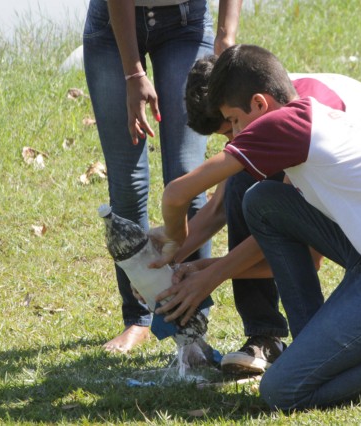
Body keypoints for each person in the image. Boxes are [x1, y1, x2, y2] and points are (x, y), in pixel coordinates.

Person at [150, 44, 361, 409]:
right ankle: (315, 349)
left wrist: (176, 238)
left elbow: (176, 195)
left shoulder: (281, 127)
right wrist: (199, 267)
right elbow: (234, 210)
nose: (234, 135)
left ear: (260, 105)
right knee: (262, 200)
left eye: (234, 122)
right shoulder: (301, 115)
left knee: (283, 391)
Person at [156, 54, 361, 375]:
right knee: (246, 182)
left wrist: (210, 275)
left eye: (232, 126)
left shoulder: (299, 116)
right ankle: (271, 337)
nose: (234, 139)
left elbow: (298, 246)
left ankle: (285, 340)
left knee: (257, 191)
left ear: (251, 103)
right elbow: (218, 208)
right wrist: (168, 263)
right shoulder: (267, 98)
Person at [82, 0, 242, 353]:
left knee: (188, 174)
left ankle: (190, 317)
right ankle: (137, 318)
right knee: (128, 183)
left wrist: (226, 38)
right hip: (114, 27)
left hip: (187, 25)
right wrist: (133, 74)